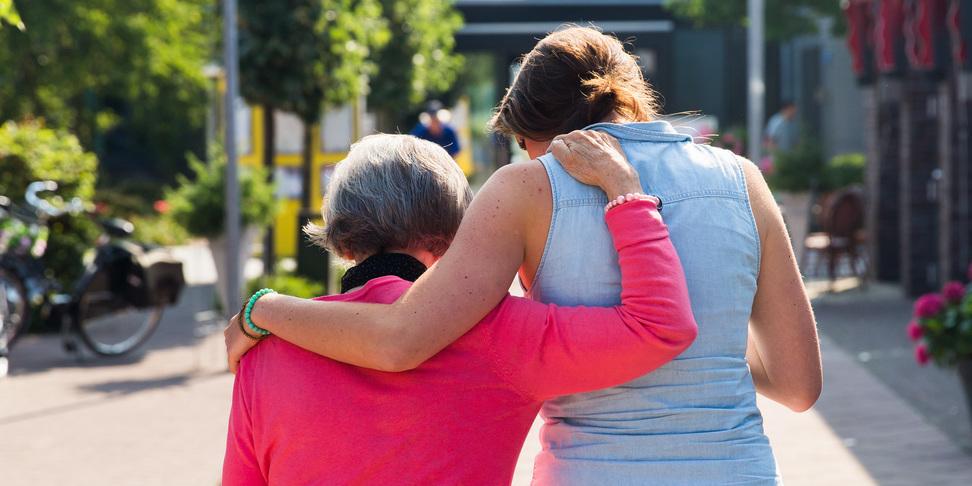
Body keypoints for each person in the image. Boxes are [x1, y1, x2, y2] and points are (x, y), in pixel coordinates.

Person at [226, 26, 821, 485]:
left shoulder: (528, 188)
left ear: (534, 130)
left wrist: (266, 310)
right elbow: (798, 386)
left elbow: (402, 337)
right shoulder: (741, 180)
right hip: (737, 470)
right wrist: (711, 352)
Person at [222, 134, 697, 485]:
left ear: (343, 245)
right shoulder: (505, 335)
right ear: (456, 238)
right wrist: (624, 192)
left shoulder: (266, 351)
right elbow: (659, 326)